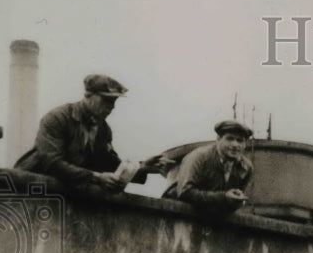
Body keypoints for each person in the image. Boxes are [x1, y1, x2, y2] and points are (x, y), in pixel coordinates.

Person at [15, 74, 172, 193]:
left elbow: (108, 163)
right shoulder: (57, 118)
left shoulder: (103, 129)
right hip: (28, 189)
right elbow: (51, 162)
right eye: (107, 101)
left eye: (114, 102)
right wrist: (96, 177)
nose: (112, 107)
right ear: (88, 96)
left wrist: (141, 167)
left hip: (63, 193)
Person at [163, 120, 254, 213]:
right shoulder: (199, 157)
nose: (235, 145)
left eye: (240, 140)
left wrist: (237, 200)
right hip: (178, 214)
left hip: (211, 217)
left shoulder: (246, 167)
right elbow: (184, 192)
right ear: (218, 139)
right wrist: (224, 197)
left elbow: (235, 200)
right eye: (230, 139)